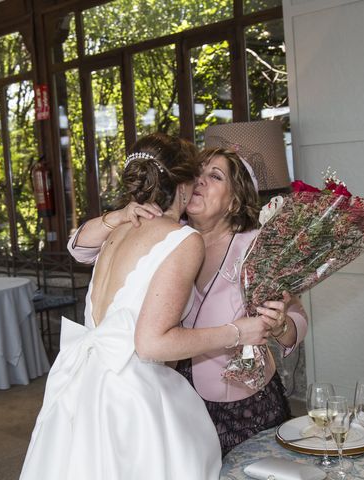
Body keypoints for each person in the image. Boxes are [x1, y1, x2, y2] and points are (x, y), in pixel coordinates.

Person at [20, 134, 271, 480]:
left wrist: (118, 214)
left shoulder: (118, 229)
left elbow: (77, 245)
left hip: (80, 385)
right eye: (196, 177)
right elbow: (151, 344)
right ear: (181, 185)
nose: (199, 185)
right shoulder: (182, 238)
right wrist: (238, 331)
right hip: (130, 394)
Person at [69, 147, 308, 456]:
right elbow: (80, 249)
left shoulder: (256, 245)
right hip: (174, 397)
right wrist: (120, 215)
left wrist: (280, 325)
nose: (200, 180)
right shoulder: (169, 235)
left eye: (215, 176)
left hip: (242, 403)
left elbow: (297, 321)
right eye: (198, 172)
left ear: (235, 199)